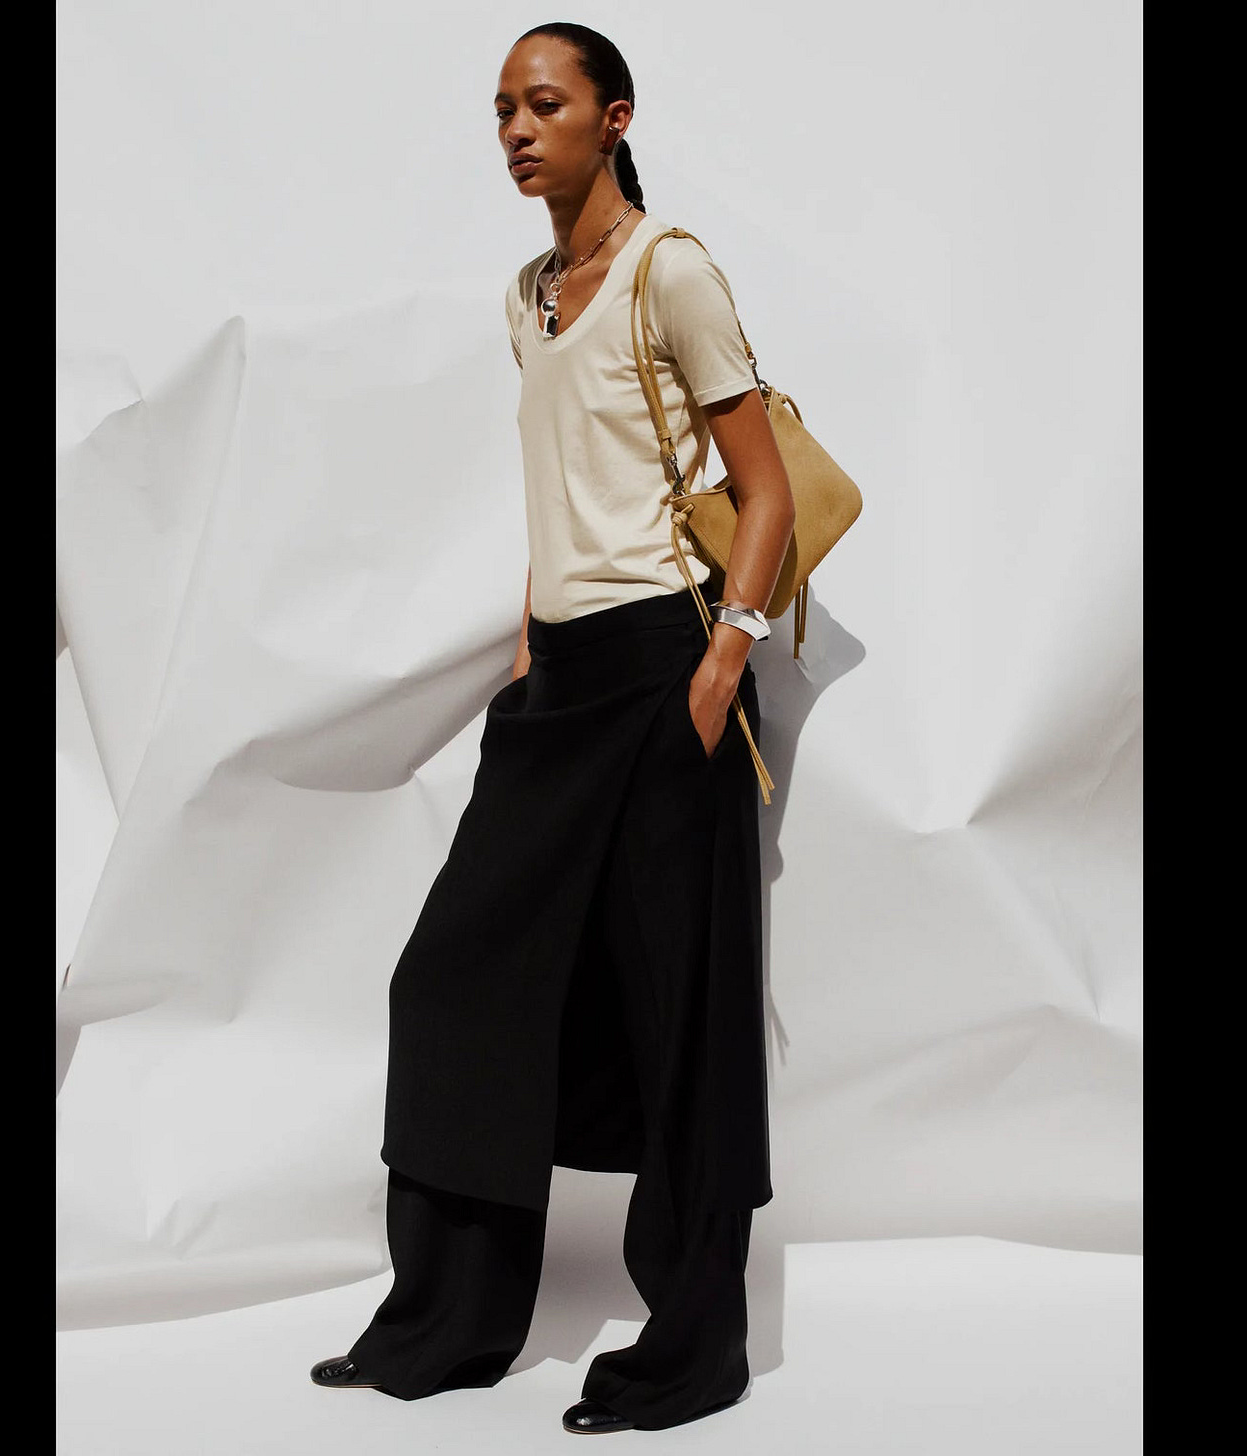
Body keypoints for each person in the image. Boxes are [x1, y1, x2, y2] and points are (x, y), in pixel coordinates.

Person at [310, 21, 796, 1436]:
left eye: (544, 104)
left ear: (613, 117)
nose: (517, 131)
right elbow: (567, 490)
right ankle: (447, 1320)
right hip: (563, 681)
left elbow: (764, 487)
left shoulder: (670, 271)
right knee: (452, 985)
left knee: (676, 1015)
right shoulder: (529, 295)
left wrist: (724, 660)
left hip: (665, 672)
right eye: (503, 111)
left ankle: (690, 1352)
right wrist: (532, 646)